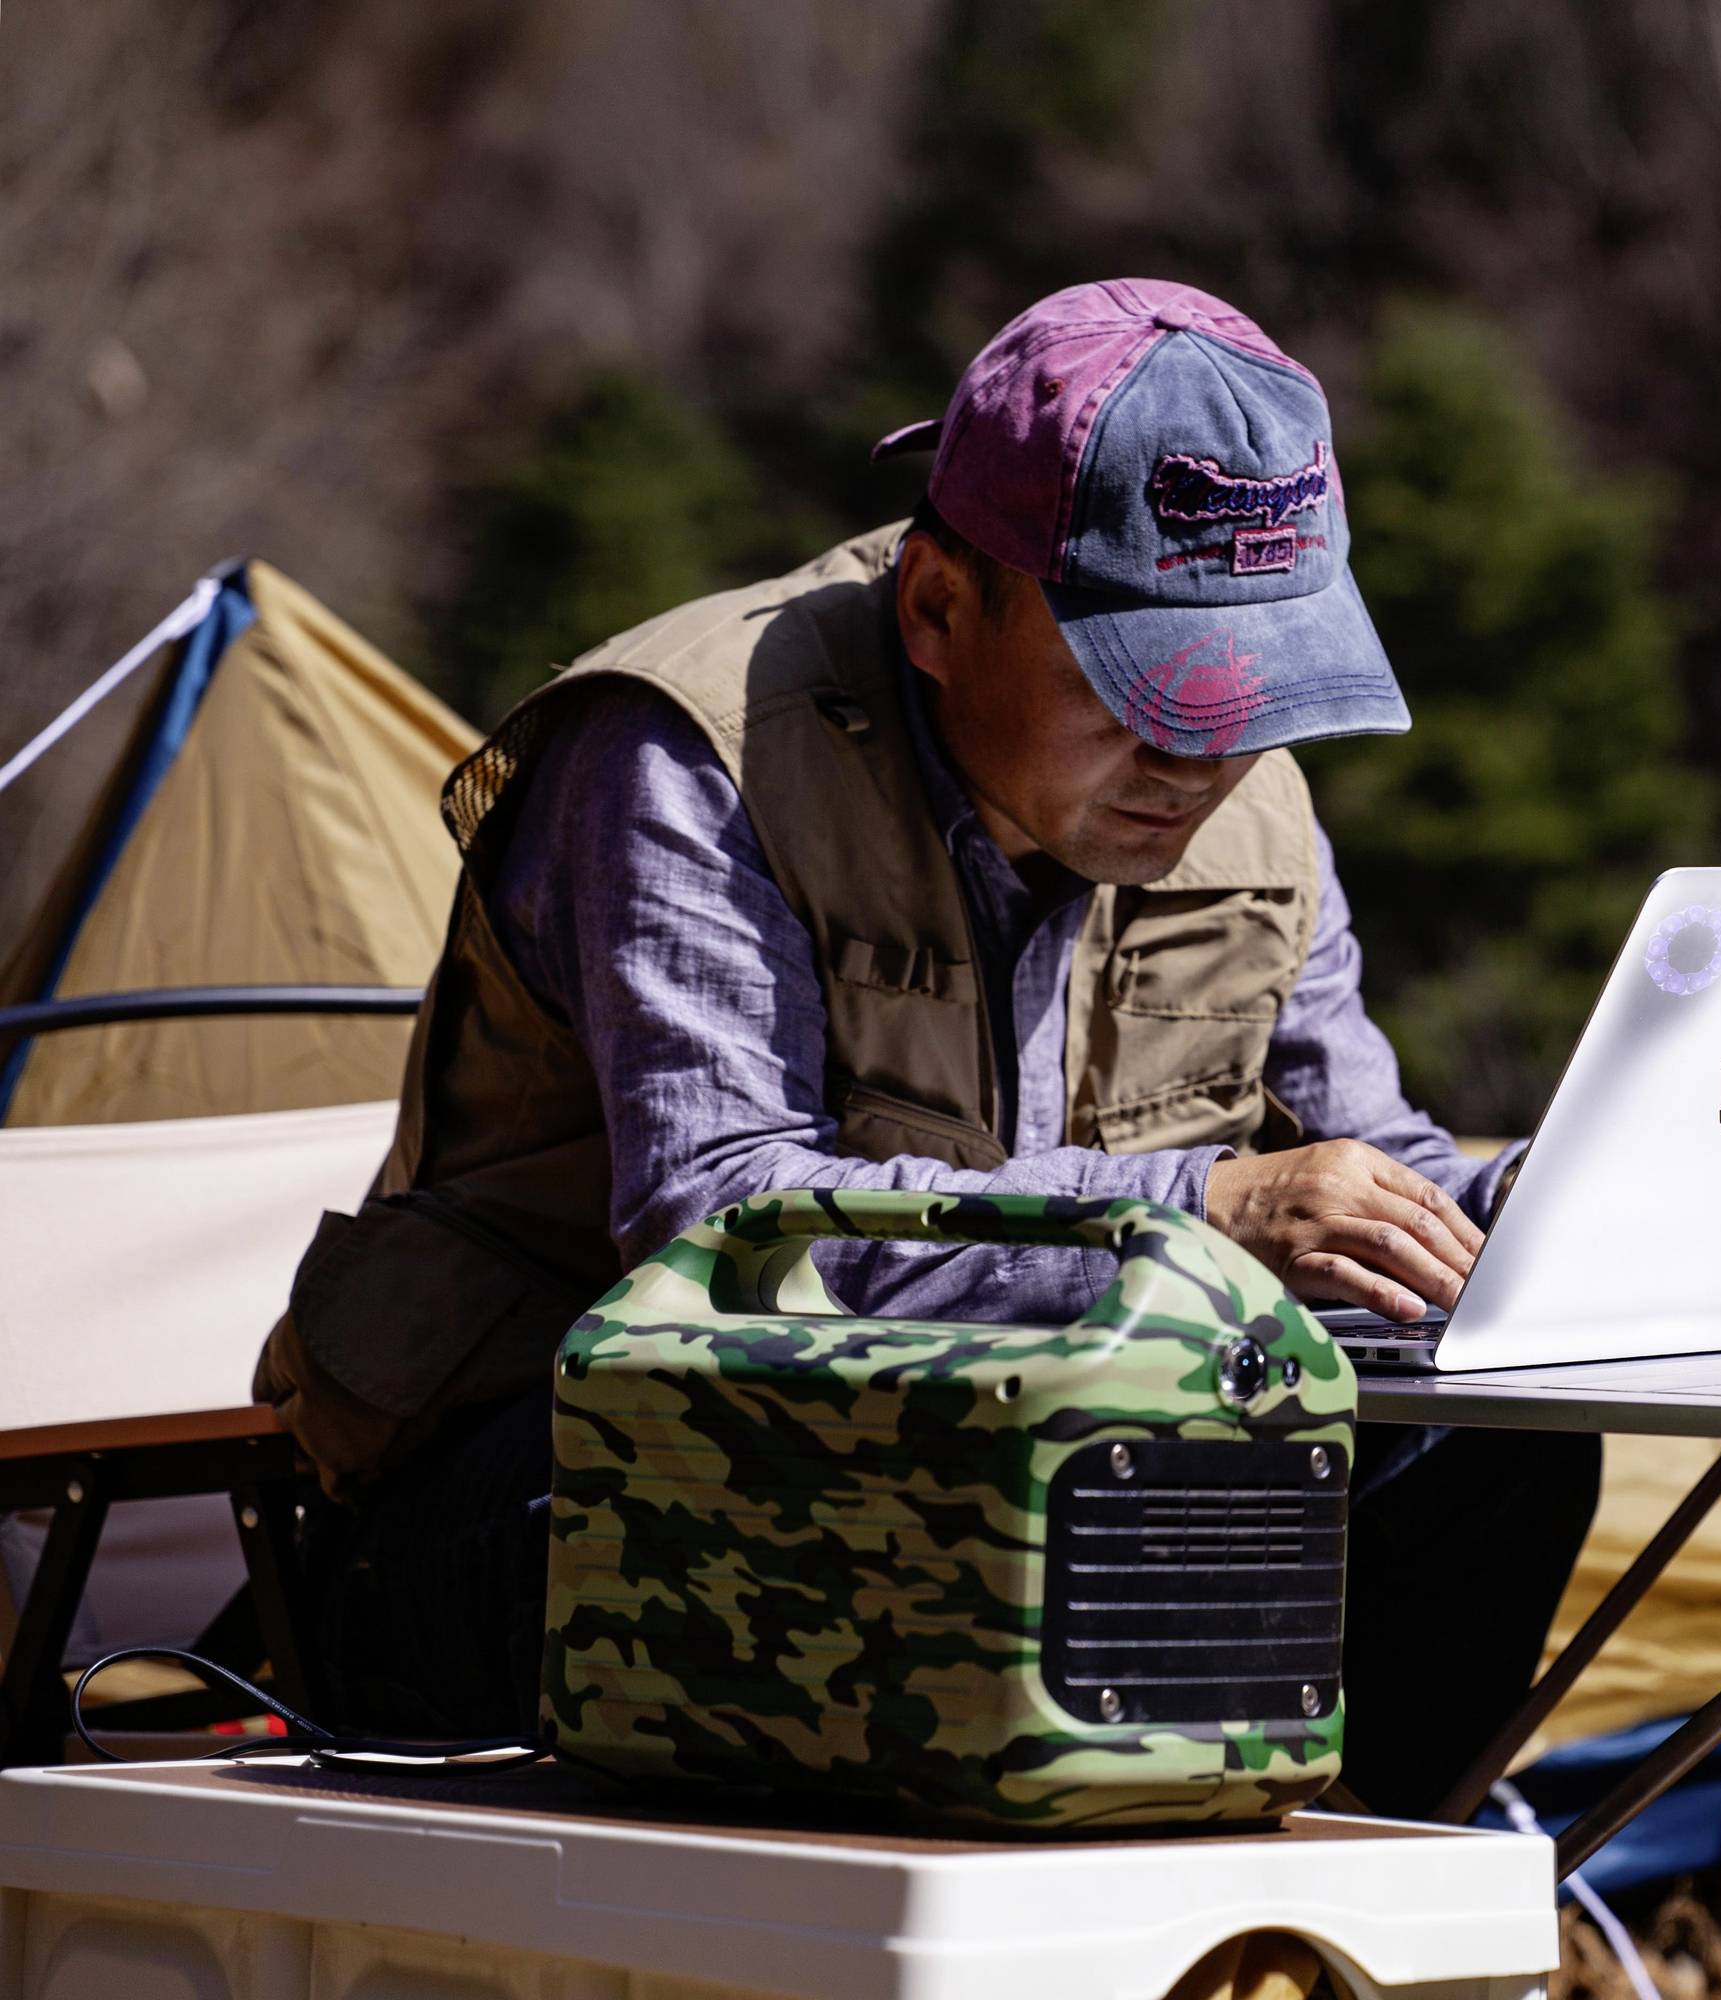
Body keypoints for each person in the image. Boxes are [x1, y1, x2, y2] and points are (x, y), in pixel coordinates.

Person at [257, 278, 1600, 1815]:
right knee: (908, 1508)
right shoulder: (694, 754)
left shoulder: (1255, 806)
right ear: (941, 610)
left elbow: (1381, 1168)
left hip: (999, 1459)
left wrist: (1555, 1222)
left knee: (1500, 1454)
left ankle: (1300, 1935)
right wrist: (1202, 1211)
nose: (1203, 757)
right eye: (1147, 690)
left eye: (1253, 692)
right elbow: (723, 1234)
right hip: (564, 1478)